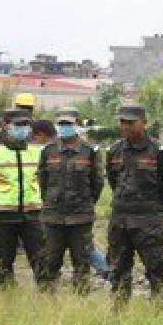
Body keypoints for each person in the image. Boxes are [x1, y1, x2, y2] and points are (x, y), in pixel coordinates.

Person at [105, 103, 163, 301]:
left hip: (148, 219)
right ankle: (119, 310)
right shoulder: (114, 150)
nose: (126, 126)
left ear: (144, 123)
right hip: (120, 219)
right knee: (118, 268)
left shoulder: (159, 151)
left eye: (131, 122)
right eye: (123, 122)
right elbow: (113, 180)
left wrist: (154, 206)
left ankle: (159, 309)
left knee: (155, 268)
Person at [38, 108, 104, 293]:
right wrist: (51, 201)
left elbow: (97, 183)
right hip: (53, 217)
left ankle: (80, 298)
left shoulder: (89, 152)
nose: (64, 128)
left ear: (76, 125)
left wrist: (85, 203)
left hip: (80, 218)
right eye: (61, 124)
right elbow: (43, 182)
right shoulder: (48, 151)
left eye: (68, 124)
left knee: (82, 261)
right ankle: (46, 298)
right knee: (50, 260)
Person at [0, 109, 46, 286]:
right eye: (18, 124)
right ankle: (4, 298)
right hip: (2, 215)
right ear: (6, 126)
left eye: (26, 124)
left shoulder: (38, 152)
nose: (23, 128)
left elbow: (45, 180)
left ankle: (47, 298)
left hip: (33, 214)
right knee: (1, 263)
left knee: (41, 260)